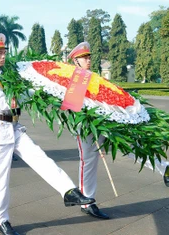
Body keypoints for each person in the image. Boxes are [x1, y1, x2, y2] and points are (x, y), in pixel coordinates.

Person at [0, 34, 95, 235]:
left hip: (14, 127)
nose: (3, 56)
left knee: (42, 158)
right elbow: (6, 103)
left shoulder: (8, 75)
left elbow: (21, 96)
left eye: (5, 52)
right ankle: (1, 220)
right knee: (1, 178)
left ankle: (69, 191)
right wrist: (36, 89)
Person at [68, 42, 110, 220]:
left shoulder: (94, 77)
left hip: (100, 124)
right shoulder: (76, 79)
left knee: (92, 162)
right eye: (84, 58)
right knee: (88, 162)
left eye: (89, 57)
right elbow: (72, 106)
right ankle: (87, 202)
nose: (88, 60)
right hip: (85, 128)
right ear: (76, 61)